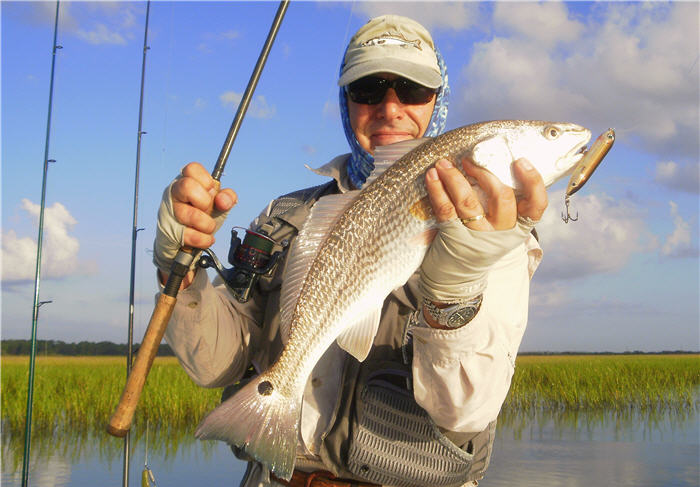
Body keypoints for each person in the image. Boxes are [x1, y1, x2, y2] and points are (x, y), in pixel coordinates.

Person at [153, 15, 546, 487]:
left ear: (437, 102)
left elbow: (466, 413)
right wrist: (182, 265)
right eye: (369, 89)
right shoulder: (288, 215)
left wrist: (454, 294)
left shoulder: (496, 231)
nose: (390, 108)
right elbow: (215, 364)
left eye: (412, 89)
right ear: (345, 102)